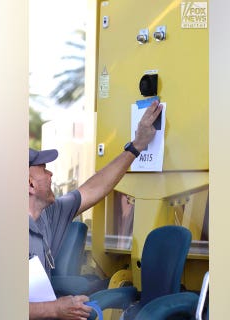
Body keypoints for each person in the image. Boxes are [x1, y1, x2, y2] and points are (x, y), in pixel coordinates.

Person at [29, 100, 162, 320]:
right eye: (43, 170)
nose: (50, 174)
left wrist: (136, 147)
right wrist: (55, 309)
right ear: (30, 185)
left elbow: (94, 188)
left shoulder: (47, 216)